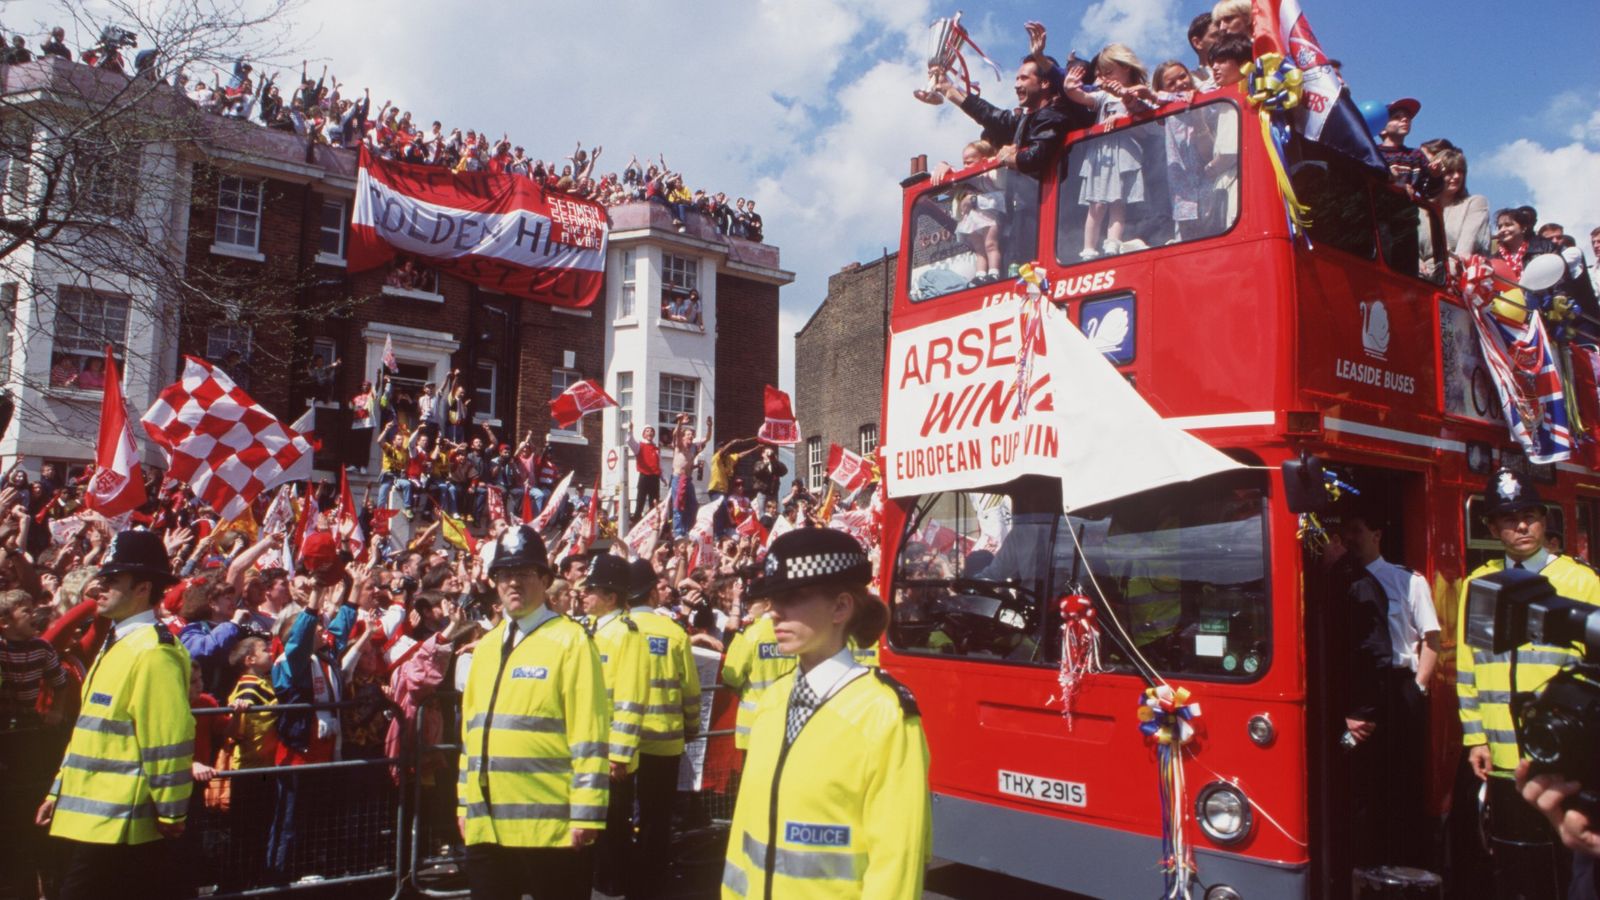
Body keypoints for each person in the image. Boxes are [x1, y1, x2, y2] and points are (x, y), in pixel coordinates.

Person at [721, 527, 930, 899]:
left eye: (794, 597)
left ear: (841, 607)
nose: (774, 612)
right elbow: (743, 836)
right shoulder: (772, 701)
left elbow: (896, 862)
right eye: (772, 599)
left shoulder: (885, 715)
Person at [1457, 468, 1600, 899]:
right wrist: (1475, 736)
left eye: (1530, 516)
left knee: (1567, 868)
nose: (1521, 525)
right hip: (1503, 761)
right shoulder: (1478, 585)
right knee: (1515, 867)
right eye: (1508, 518)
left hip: (1563, 761)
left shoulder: (1582, 581)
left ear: (1544, 520)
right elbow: (1469, 666)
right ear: (1492, 528)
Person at [35, 530, 194, 900]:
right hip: (96, 822)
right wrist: (58, 790)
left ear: (143, 588)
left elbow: (167, 739)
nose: (98, 587)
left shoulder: (154, 651)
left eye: (112, 580)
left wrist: (172, 813)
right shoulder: (121, 643)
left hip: (125, 826)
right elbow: (90, 734)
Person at [458, 524, 609, 900]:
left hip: (551, 829)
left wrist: (587, 810)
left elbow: (588, 734)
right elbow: (470, 736)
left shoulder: (571, 641)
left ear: (544, 579)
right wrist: (464, 803)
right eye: (504, 574)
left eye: (523, 574)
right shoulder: (487, 647)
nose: (513, 583)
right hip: (487, 826)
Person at [1338, 511, 1440, 868]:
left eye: (1356, 529)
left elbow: (1432, 639)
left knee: (1402, 778)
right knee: (1364, 782)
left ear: (1377, 533)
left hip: (1399, 687)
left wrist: (1418, 688)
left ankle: (1405, 860)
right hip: (1364, 687)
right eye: (1344, 533)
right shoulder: (1340, 579)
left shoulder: (1407, 580)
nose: (1350, 538)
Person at [624, 558, 700, 899]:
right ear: (653, 592)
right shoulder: (674, 632)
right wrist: (693, 726)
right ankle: (652, 884)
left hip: (623, 744)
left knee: (623, 815)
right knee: (657, 819)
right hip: (666, 742)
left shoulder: (614, 630)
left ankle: (622, 879)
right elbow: (690, 690)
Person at [579, 553, 647, 897]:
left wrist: (619, 755)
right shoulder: (587, 629)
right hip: (588, 753)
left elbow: (631, 698)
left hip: (611, 758)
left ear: (611, 597)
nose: (584, 595)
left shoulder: (626, 634)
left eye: (592, 590)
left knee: (613, 835)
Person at [933, 34, 1088, 178]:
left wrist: (1008, 157)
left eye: (1023, 78)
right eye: (1016, 79)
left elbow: (1036, 157)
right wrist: (948, 89)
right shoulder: (1027, 120)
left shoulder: (1056, 115)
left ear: (1045, 83)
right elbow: (992, 116)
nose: (1016, 85)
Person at [1064, 44, 1154, 260]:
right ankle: (1089, 248)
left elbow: (1146, 123)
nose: (1105, 78)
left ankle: (1113, 242)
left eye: (1109, 72)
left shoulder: (1141, 94)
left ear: (1126, 68)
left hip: (1124, 153)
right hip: (1101, 155)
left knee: (1118, 202)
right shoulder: (1104, 96)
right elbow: (1082, 98)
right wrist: (1069, 88)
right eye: (1102, 74)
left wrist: (1123, 119)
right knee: (1096, 203)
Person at [719, 594, 795, 751]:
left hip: (753, 722)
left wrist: (739, 636)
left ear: (767, 604)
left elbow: (731, 677)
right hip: (786, 719)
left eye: (751, 602)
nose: (747, 607)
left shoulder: (751, 633)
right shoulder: (792, 630)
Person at [1432, 148, 1490, 259]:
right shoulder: (1424, 208)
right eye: (1450, 172)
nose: (1457, 176)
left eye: (1460, 171)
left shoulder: (1475, 203)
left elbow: (1464, 251)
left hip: (1455, 271)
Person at [627, 423, 662, 521]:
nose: (650, 432)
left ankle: (654, 521)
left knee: (654, 502)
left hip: (655, 477)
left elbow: (659, 464)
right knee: (640, 501)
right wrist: (630, 430)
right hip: (644, 476)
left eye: (651, 431)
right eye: (647, 431)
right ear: (644, 434)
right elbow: (630, 441)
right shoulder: (640, 445)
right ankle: (636, 520)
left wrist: (662, 477)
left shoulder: (656, 448)